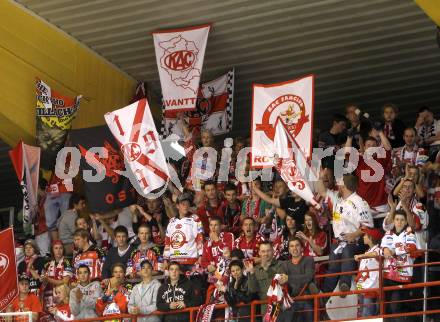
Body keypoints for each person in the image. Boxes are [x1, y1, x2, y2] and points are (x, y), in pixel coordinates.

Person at [316, 173, 374, 294]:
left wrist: (353, 235)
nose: (337, 185)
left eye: (340, 183)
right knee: (333, 268)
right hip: (338, 242)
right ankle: (324, 294)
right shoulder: (338, 199)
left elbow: (368, 227)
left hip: (356, 243)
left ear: (344, 186)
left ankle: (345, 284)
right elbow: (321, 191)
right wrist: (320, 177)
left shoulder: (360, 203)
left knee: (347, 250)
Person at [381, 210, 418, 319]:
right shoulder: (388, 234)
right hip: (387, 275)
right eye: (397, 219)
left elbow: (412, 247)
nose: (399, 222)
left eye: (402, 220)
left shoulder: (409, 233)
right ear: (394, 220)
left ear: (406, 221)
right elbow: (381, 248)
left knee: (395, 307)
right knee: (386, 309)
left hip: (403, 276)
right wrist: (385, 249)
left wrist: (393, 251)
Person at [349, 129, 392, 214]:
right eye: (369, 145)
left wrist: (380, 132)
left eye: (374, 146)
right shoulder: (359, 160)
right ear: (364, 147)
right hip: (362, 205)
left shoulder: (381, 159)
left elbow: (388, 148)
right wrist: (349, 137)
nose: (371, 148)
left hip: (381, 206)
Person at [278, 237, 315, 322]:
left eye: (297, 245)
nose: (294, 248)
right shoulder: (284, 265)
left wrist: (289, 278)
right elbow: (283, 281)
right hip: (291, 300)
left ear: (302, 248)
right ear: (289, 250)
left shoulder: (308, 259)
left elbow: (308, 277)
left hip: (307, 299)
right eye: (292, 246)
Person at [163, 192, 204, 267]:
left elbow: (199, 238)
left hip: (191, 261)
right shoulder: (171, 222)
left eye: (187, 204)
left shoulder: (195, 219)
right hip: (174, 262)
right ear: (177, 206)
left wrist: (201, 255)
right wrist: (165, 259)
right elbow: (167, 242)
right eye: (183, 204)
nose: (186, 206)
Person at [354, 228, 382, 318]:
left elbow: (375, 254)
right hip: (362, 287)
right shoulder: (367, 252)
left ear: (371, 237)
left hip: (371, 288)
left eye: (366, 235)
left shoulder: (378, 249)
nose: (364, 237)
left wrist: (361, 256)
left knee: (367, 314)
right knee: (362, 313)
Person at [41, 241, 73, 313]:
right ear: (52, 250)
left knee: (61, 316)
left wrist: (48, 279)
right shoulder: (47, 265)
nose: (58, 251)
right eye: (56, 248)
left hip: (61, 297)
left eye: (60, 248)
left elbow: (65, 282)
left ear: (63, 250)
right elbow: (42, 279)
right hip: (48, 297)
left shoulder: (66, 263)